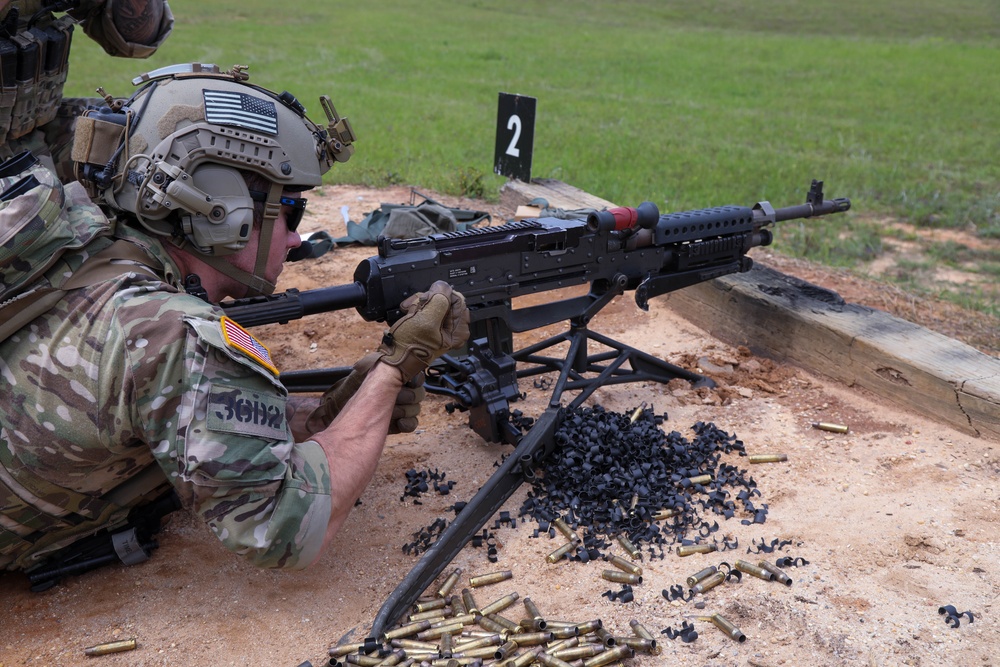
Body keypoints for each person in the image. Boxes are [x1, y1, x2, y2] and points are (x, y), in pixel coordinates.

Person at [0, 63, 470, 575]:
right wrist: (395, 368)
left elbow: (182, 411)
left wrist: (322, 416)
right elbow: (289, 526)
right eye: (290, 210)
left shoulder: (86, 240)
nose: (294, 239)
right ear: (219, 207)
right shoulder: (175, 335)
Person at [1, 0, 174, 180]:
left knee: (154, 135)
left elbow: (138, 38)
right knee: (56, 206)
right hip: (12, 157)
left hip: (32, 128)